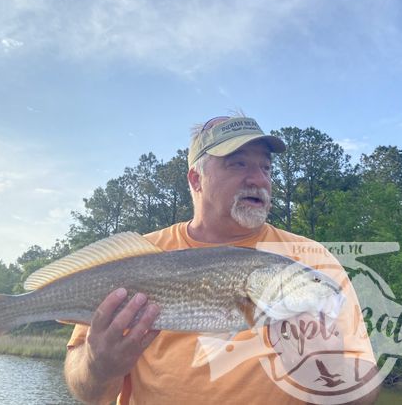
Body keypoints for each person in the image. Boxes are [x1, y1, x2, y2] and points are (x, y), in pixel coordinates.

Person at [64, 115, 379, 404]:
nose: (258, 179)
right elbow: (89, 393)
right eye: (237, 164)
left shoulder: (311, 261)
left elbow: (365, 392)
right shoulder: (137, 257)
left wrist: (330, 370)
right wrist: (97, 366)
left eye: (266, 167)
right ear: (196, 180)